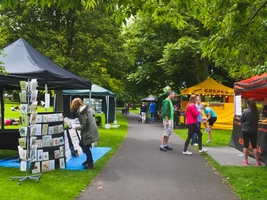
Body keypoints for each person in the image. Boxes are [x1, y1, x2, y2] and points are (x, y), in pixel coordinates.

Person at [70, 98, 100, 169]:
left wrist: (77, 127)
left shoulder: (81, 112)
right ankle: (89, 160)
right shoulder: (87, 109)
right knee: (85, 145)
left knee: (85, 146)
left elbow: (85, 125)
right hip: (92, 130)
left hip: (88, 131)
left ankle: (90, 163)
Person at [240, 99, 262, 166]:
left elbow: (241, 120)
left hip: (245, 130)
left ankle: (245, 161)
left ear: (248, 105)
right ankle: (257, 161)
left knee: (246, 145)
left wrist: (244, 112)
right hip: (254, 131)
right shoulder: (256, 112)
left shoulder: (246, 112)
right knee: (254, 146)